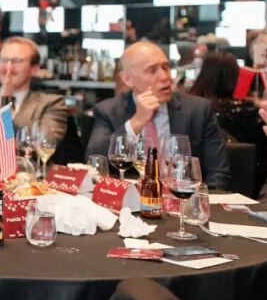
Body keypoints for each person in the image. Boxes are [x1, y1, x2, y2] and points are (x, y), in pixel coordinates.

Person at [86, 41, 231, 189]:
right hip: (130, 199)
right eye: (152, 70)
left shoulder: (198, 110)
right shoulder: (109, 110)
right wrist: (135, 122)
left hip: (181, 197)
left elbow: (219, 174)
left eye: (166, 67)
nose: (164, 76)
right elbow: (94, 160)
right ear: (128, 79)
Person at [189, 50, 267, 186]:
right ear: (235, 75)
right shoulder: (246, 111)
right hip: (246, 181)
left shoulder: (190, 107)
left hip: (197, 179)